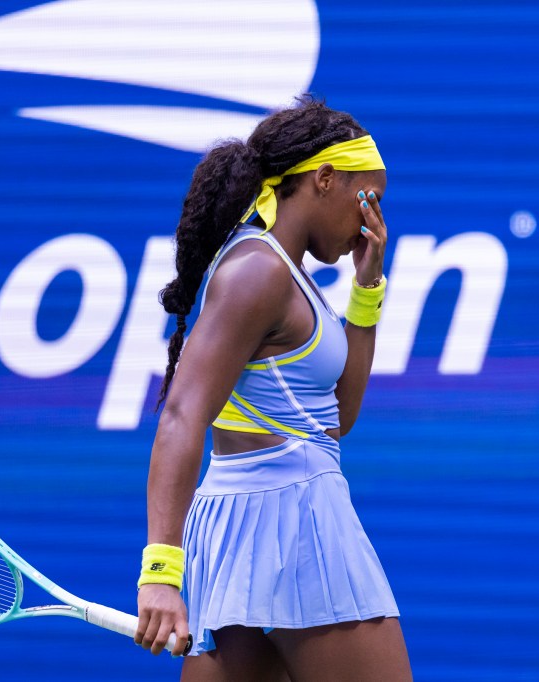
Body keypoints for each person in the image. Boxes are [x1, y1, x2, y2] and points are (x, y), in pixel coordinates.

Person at [134, 99, 413, 681]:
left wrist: (367, 292)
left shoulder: (282, 271)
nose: (373, 221)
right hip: (298, 519)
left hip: (239, 528)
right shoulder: (259, 269)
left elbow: (336, 419)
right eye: (371, 198)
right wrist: (160, 572)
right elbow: (183, 414)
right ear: (326, 179)